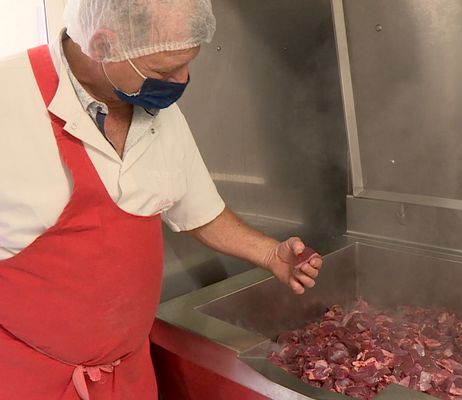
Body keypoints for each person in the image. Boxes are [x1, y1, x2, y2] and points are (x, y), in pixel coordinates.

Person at [0, 0, 323, 399]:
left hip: (127, 377)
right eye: (164, 70)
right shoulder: (8, 103)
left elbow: (197, 207)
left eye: (187, 64)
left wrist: (272, 254)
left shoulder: (153, 107)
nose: (180, 80)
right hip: (26, 378)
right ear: (102, 45)